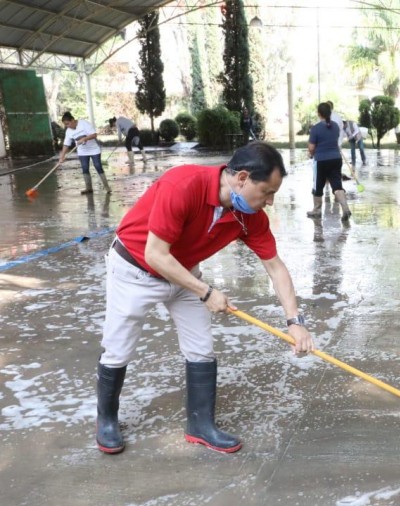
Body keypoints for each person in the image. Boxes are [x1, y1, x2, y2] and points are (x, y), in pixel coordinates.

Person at [95, 142, 315, 455]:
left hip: (183, 272)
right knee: (119, 347)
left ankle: (200, 425)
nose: (269, 202)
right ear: (242, 178)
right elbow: (155, 254)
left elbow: (274, 266)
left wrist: (295, 322)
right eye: (267, 192)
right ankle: (106, 420)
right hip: (135, 268)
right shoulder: (183, 185)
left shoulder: (247, 215)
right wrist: (206, 292)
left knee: (201, 347)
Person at [307, 102, 352, 221]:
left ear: (319, 113)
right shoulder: (335, 126)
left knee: (318, 185)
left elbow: (311, 148)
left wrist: (311, 154)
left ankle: (316, 210)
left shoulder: (316, 129)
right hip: (336, 159)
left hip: (321, 160)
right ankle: (345, 208)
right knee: (337, 185)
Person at [58, 111, 112, 195]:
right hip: (82, 151)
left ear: (72, 120)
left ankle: (107, 187)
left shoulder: (83, 123)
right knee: (85, 168)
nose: (67, 126)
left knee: (98, 166)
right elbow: (66, 144)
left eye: (68, 123)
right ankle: (89, 188)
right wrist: (62, 156)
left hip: (94, 149)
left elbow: (94, 135)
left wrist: (84, 139)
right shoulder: (68, 131)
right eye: (65, 125)